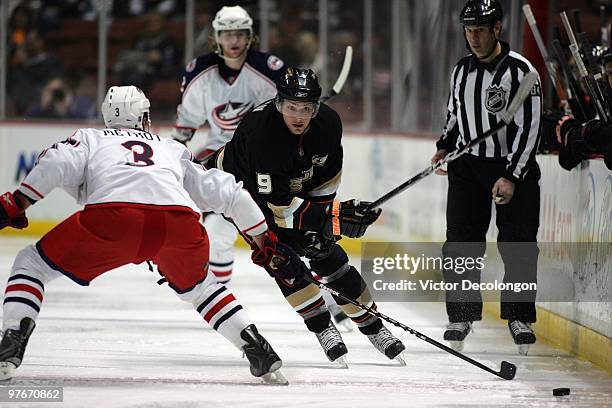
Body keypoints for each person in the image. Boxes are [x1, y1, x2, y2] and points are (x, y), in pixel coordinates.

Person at [0, 85, 300, 384]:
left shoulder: (90, 139)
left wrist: (20, 201)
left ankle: (13, 338)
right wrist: (264, 240)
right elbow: (231, 193)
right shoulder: (170, 147)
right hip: (178, 225)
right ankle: (258, 348)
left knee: (31, 264)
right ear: (144, 116)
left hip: (115, 219)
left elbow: (56, 163)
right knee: (203, 288)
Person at [205, 67, 407, 365]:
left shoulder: (327, 123)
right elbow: (278, 208)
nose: (299, 116)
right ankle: (323, 327)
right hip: (239, 191)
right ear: (278, 105)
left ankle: (374, 327)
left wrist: (326, 223)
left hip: (285, 189)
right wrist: (332, 217)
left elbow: (326, 178)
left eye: (306, 108)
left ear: (317, 107)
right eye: (292, 108)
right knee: (279, 256)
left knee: (323, 248)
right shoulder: (263, 134)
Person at [431, 0, 542, 355]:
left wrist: (511, 175)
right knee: (461, 243)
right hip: (468, 167)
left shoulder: (522, 72)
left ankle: (519, 316)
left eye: (480, 30)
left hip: (513, 169)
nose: (474, 38)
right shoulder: (461, 70)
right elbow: (455, 113)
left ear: (497, 28)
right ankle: (461, 314)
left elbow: (530, 129)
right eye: (469, 30)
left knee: (519, 245)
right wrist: (445, 146)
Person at [171, 5, 285, 285]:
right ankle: (220, 297)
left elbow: (291, 116)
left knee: (289, 233)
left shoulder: (268, 70)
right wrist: (171, 158)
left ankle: (332, 302)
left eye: (240, 34)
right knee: (217, 233)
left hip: (263, 161)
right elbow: (187, 122)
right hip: (221, 160)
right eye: (227, 34)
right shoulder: (200, 71)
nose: (234, 41)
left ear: (250, 37)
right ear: (217, 37)